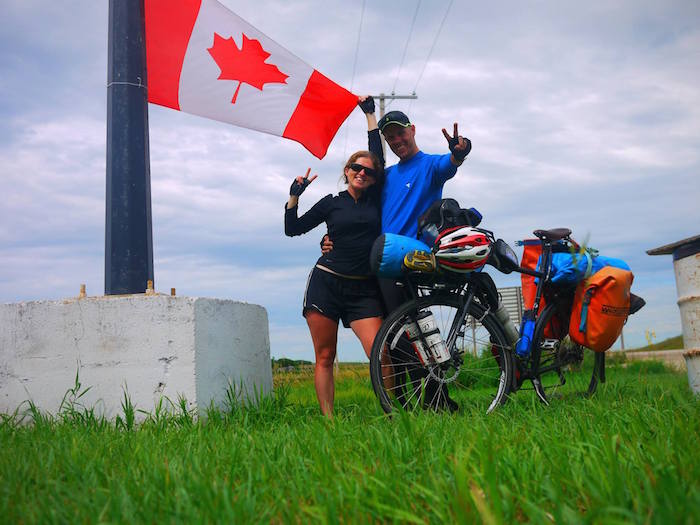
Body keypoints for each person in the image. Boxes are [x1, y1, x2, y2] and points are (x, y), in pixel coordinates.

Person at [324, 97, 472, 410]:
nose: (396, 140)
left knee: (416, 332)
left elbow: (451, 163)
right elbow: (360, 207)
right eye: (390, 137)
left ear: (413, 130)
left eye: (400, 133)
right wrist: (331, 237)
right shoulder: (387, 176)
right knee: (397, 337)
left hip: (410, 261)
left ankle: (436, 399)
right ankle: (411, 400)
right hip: (381, 265)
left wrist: (460, 151)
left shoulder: (430, 165)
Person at [284, 149, 384, 417]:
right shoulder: (331, 203)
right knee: (325, 356)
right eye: (356, 167)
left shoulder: (376, 201)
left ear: (375, 178)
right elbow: (292, 229)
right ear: (346, 171)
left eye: (369, 171)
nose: (362, 173)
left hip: (363, 289)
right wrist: (295, 195)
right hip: (326, 284)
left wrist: (369, 114)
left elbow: (377, 154)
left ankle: (392, 414)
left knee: (380, 352)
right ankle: (330, 424)